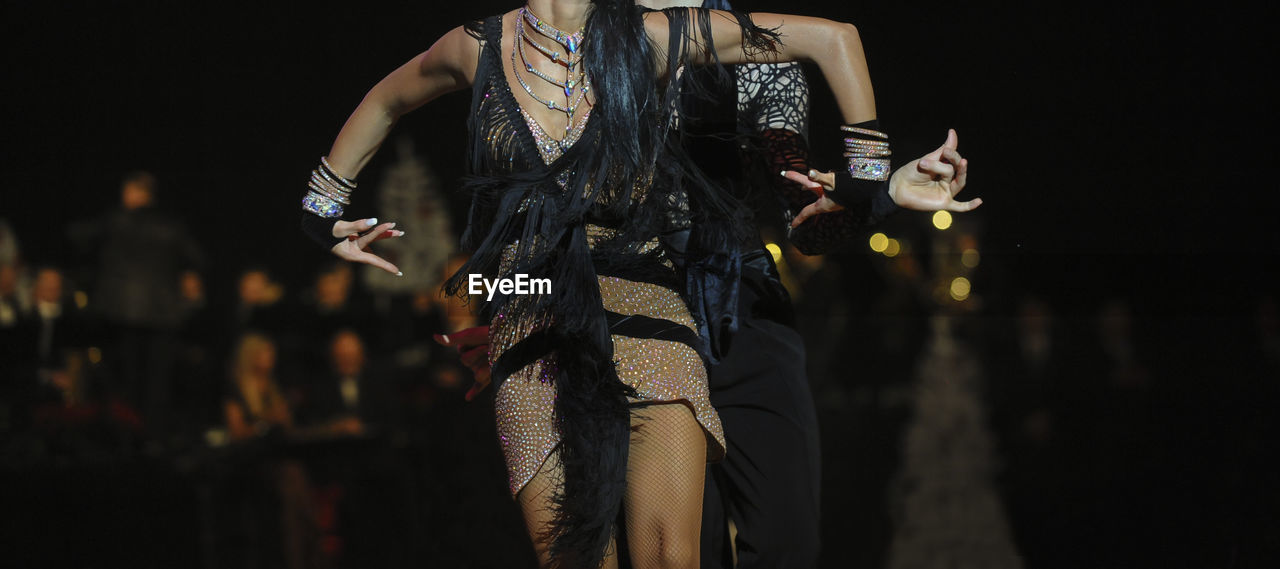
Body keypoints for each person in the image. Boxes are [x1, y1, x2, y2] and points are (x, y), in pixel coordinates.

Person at [298, 2, 975, 567]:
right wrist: (505, 310)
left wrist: (874, 185)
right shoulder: (516, 43)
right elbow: (502, 223)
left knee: (774, 545)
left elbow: (806, 220)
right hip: (576, 308)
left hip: (726, 316)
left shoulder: (721, 52)